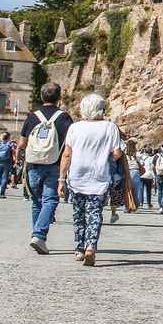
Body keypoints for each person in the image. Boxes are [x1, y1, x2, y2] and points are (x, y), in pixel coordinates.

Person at [58, 94, 127, 266]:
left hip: (76, 176)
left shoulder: (75, 127)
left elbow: (67, 154)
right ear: (101, 109)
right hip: (99, 176)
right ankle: (91, 247)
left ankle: (79, 249)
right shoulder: (110, 127)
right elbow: (116, 153)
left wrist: (61, 179)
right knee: (94, 213)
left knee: (78, 214)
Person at [19, 82, 74, 255]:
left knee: (36, 202)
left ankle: (37, 236)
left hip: (33, 164)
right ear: (59, 98)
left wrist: (18, 160)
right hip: (54, 164)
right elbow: (70, 144)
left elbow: (21, 143)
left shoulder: (32, 116)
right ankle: (39, 235)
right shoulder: (64, 117)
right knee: (50, 200)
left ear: (42, 96)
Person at [0, 133, 14, 198]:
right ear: (8, 137)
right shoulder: (10, 144)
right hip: (7, 163)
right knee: (5, 177)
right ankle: (2, 194)